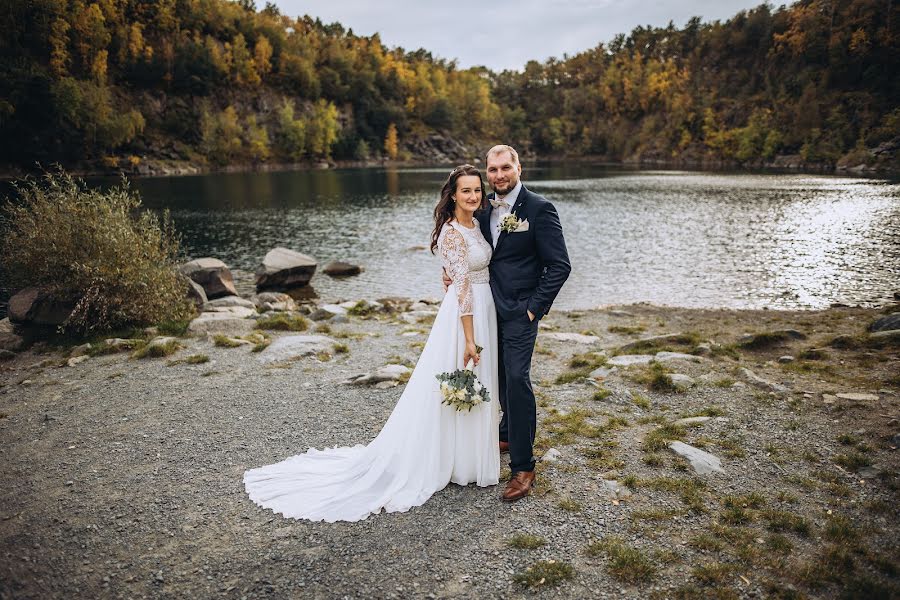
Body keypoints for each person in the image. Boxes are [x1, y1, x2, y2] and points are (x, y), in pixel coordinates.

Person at [244, 164, 500, 522]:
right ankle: (447, 459)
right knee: (458, 379)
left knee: (480, 383)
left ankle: (469, 458)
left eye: (477, 190)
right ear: (452, 195)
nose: (473, 196)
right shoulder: (452, 233)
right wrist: (470, 339)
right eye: (466, 191)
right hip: (464, 317)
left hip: (485, 308)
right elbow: (461, 289)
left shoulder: (478, 222)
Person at [443, 145, 570, 502]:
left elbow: (559, 265)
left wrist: (534, 308)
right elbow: (470, 248)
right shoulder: (482, 207)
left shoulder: (540, 209)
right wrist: (450, 270)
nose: (498, 175)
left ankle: (523, 466)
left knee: (516, 379)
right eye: (492, 169)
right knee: (495, 376)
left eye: (505, 168)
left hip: (519, 311)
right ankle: (505, 430)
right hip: (485, 308)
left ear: (518, 167)